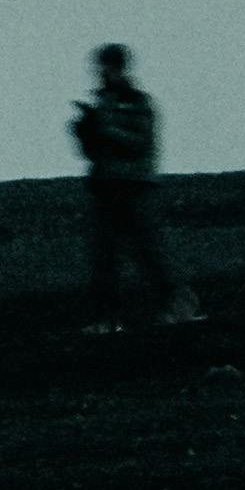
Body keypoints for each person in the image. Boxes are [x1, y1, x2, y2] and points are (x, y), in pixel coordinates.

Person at [70, 42, 197, 330]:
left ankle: (178, 307)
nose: (101, 73)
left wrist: (103, 128)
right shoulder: (104, 103)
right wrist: (83, 132)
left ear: (119, 68)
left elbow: (138, 143)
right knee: (104, 258)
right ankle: (106, 319)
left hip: (134, 188)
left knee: (148, 252)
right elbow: (93, 152)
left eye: (106, 67)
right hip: (106, 188)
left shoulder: (138, 102)